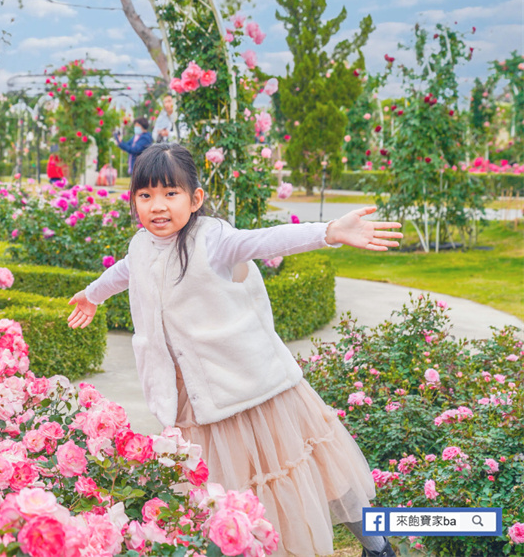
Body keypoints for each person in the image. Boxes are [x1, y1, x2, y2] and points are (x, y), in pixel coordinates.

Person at [66, 144, 402, 557]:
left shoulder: (213, 239)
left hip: (254, 390)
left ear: (196, 198)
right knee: (222, 497)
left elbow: (263, 240)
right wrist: (92, 295)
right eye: (146, 195)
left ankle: (377, 546)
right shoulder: (141, 246)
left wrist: (328, 232)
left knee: (316, 470)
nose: (158, 206)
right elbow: (123, 272)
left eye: (171, 193)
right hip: (196, 400)